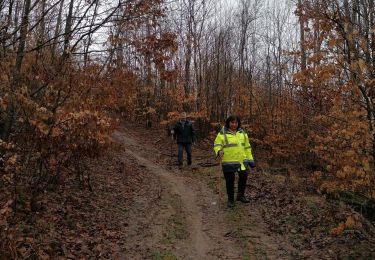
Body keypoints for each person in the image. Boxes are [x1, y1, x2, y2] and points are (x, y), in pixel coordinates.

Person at [213, 115, 255, 208]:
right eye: (232, 122)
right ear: (228, 122)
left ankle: (240, 195)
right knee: (230, 181)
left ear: (238, 123)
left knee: (243, 177)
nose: (234, 124)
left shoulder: (243, 133)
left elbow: (247, 147)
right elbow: (217, 144)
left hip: (242, 161)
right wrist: (219, 151)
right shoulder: (222, 133)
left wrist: (250, 159)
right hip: (228, 161)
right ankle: (230, 200)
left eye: (236, 122)